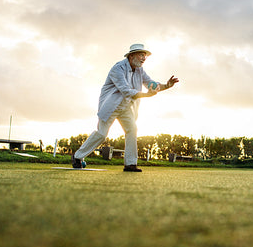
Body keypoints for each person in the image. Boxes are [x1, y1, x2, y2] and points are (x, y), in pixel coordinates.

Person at [72, 43, 179, 172]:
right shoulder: (118, 68)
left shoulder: (140, 70)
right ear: (132, 55)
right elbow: (126, 90)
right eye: (141, 55)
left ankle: (130, 164)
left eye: (145, 56)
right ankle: (77, 156)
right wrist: (146, 95)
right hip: (111, 105)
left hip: (127, 106)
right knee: (101, 134)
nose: (144, 58)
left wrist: (166, 85)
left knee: (132, 130)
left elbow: (151, 84)